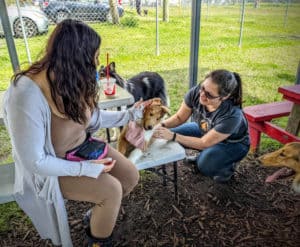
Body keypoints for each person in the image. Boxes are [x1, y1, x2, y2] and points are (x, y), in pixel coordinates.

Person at [3, 19, 150, 247]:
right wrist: (86, 169)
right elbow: (35, 161)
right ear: (76, 57)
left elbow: (90, 119)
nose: (97, 62)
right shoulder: (25, 93)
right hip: (53, 167)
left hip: (83, 148)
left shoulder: (70, 78)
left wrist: (130, 115)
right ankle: (99, 242)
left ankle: (95, 218)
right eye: (94, 55)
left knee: (130, 176)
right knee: (111, 191)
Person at [153, 69, 250, 182]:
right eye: (202, 88)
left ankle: (226, 169)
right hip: (206, 130)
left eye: (209, 94)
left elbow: (204, 143)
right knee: (171, 137)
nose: (202, 95)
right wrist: (161, 125)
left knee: (204, 165)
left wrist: (173, 135)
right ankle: (208, 156)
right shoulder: (197, 92)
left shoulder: (232, 114)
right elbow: (179, 117)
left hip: (233, 144)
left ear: (224, 97)